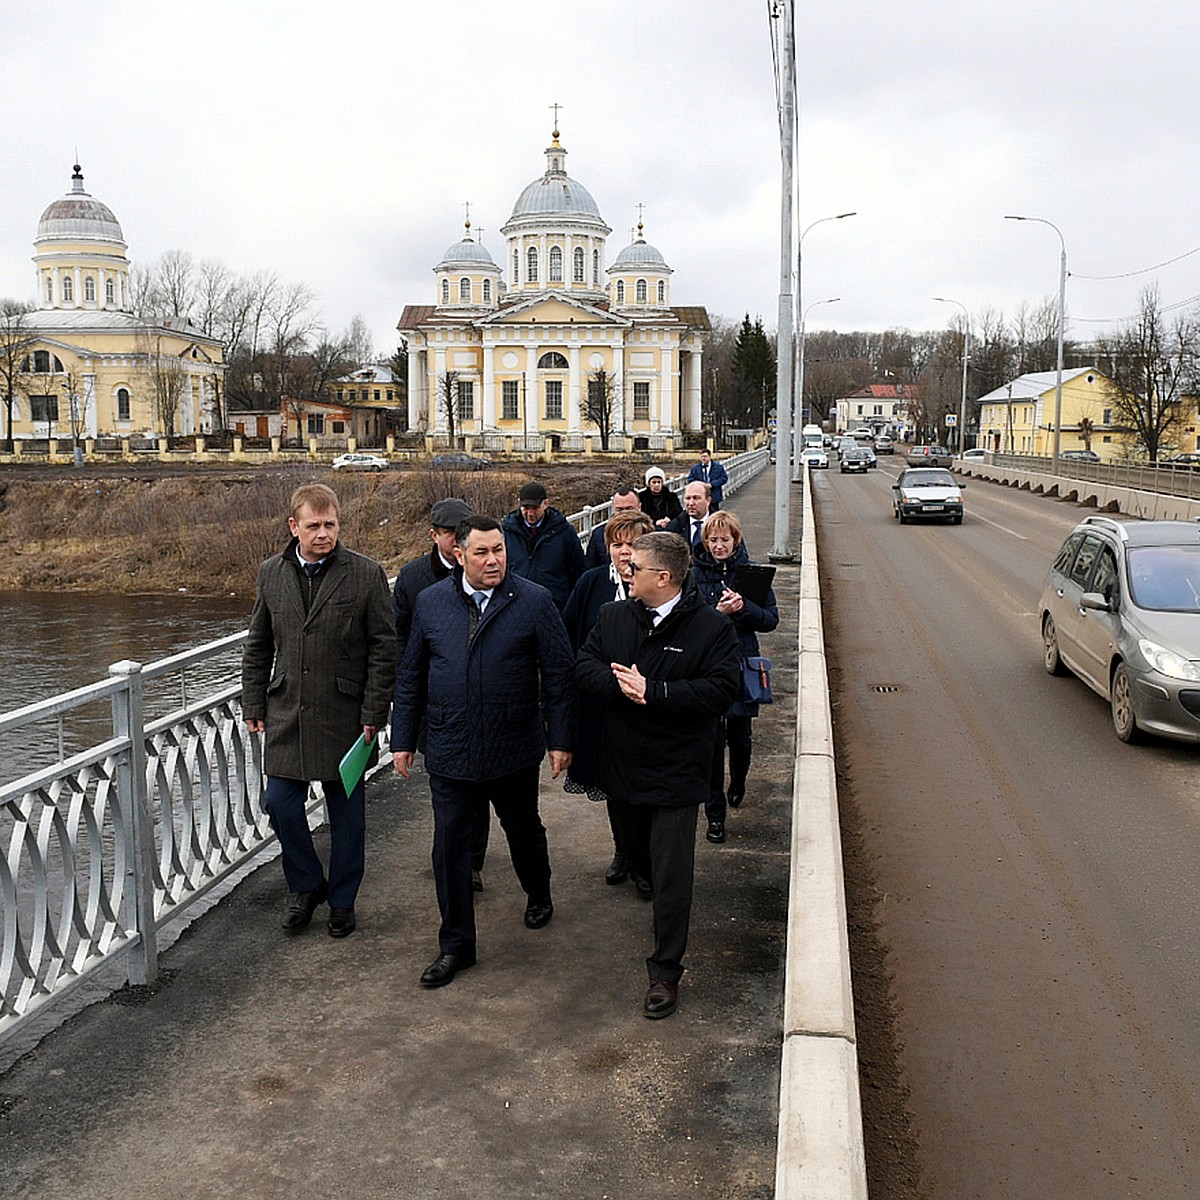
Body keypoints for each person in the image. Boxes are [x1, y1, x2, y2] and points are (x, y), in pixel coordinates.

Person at [392, 513, 575, 989]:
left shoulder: (533, 601)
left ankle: (538, 891)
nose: (493, 560)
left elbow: (558, 672)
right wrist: (403, 739)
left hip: (512, 744)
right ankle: (456, 946)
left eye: (499, 551)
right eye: (482, 553)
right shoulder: (431, 603)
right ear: (459, 555)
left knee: (523, 830)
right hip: (450, 745)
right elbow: (411, 674)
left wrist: (560, 738)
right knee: (449, 848)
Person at [575, 531, 740, 1019]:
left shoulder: (711, 630)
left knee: (672, 875)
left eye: (635, 568)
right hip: (622, 766)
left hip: (677, 771)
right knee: (634, 851)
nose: (626, 572)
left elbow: (720, 692)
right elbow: (583, 665)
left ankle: (665, 970)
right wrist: (617, 684)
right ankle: (637, 865)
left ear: (663, 577)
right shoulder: (613, 617)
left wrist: (657, 692)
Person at [242, 482, 395, 939]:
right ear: (295, 527)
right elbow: (258, 645)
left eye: (330, 525)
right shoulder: (272, 572)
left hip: (346, 715)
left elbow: (384, 649)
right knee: (280, 803)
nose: (324, 533)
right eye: (314, 526)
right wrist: (253, 700)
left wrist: (374, 712)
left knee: (347, 814)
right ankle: (307, 886)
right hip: (288, 710)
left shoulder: (364, 574)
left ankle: (342, 902)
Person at [393, 497, 491, 894]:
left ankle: (472, 862)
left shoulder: (486, 567)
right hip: (437, 701)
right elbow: (400, 639)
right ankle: (452, 858)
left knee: (479, 784)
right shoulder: (414, 578)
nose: (456, 540)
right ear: (434, 535)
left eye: (461, 532)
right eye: (449, 533)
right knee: (448, 785)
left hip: (482, 696)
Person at [562, 509, 656, 895]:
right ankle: (624, 851)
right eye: (616, 544)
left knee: (644, 784)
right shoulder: (591, 584)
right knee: (613, 785)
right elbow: (569, 637)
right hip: (600, 703)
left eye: (631, 544)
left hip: (648, 705)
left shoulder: (656, 586)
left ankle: (646, 860)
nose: (622, 552)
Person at [692, 510, 779, 843]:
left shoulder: (752, 573)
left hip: (742, 665)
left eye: (724, 540)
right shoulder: (694, 573)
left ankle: (739, 781)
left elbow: (770, 620)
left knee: (740, 740)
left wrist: (743, 608)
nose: (718, 546)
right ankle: (715, 816)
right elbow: (690, 622)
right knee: (711, 746)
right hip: (709, 668)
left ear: (735, 540)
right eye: (712, 540)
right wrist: (717, 614)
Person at [502, 480, 586, 609]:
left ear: (545, 504)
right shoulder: (507, 532)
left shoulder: (564, 531)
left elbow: (576, 568)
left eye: (535, 508)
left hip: (554, 605)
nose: (530, 514)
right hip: (516, 605)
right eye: (526, 508)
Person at [583, 486, 642, 568]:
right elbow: (590, 566)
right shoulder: (599, 535)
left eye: (629, 508)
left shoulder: (651, 532)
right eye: (620, 509)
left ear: (639, 507)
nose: (624, 513)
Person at [666, 480, 712, 554]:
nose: (690, 503)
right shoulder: (674, 526)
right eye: (687, 498)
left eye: (696, 498)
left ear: (708, 500)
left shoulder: (721, 524)